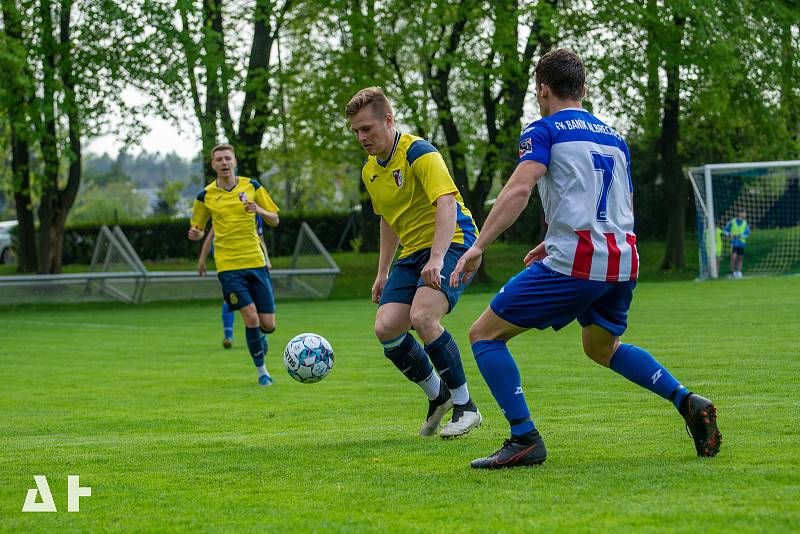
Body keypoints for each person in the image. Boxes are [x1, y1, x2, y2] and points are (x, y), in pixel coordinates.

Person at [450, 49, 722, 468]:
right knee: (601, 347)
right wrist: (556, 236)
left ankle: (524, 438)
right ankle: (686, 400)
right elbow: (621, 203)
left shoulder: (543, 131)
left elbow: (520, 189)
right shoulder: (613, 136)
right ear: (584, 88)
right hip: (622, 259)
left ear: (543, 90)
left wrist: (478, 245)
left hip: (578, 262)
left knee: (483, 334)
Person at [345, 87, 482, 438]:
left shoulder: (420, 153)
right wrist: (382, 271)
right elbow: (389, 220)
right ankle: (439, 396)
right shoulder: (370, 171)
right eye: (356, 131)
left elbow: (447, 204)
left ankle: (467, 408)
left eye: (367, 129)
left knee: (423, 315)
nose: (361, 137)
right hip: (413, 252)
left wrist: (437, 258)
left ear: (388, 120)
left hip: (454, 240)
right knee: (387, 328)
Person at [189, 143, 280, 386]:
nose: (224, 163)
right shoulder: (205, 196)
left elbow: (275, 219)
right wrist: (196, 236)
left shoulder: (252, 186)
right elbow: (199, 228)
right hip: (228, 267)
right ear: (213, 165)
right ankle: (263, 373)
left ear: (235, 161)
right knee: (251, 318)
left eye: (228, 158)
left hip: (256, 262)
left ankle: (260, 339)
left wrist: (258, 209)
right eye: (219, 159)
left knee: (268, 325)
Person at [198, 215, 272, 349]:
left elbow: (260, 239)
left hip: (252, 264)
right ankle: (228, 336)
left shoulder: (253, 216)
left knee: (255, 303)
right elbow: (210, 238)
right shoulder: (222, 213)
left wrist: (266, 259)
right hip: (229, 267)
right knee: (229, 300)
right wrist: (202, 259)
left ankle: (261, 333)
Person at [723, 210, 750, 279]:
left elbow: (747, 234)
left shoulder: (745, 223)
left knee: (740, 258)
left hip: (741, 243)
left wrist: (741, 235)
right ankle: (731, 272)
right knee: (733, 257)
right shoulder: (732, 221)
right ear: (740, 214)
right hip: (734, 242)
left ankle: (739, 272)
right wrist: (730, 234)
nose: (745, 215)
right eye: (744, 213)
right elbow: (725, 230)